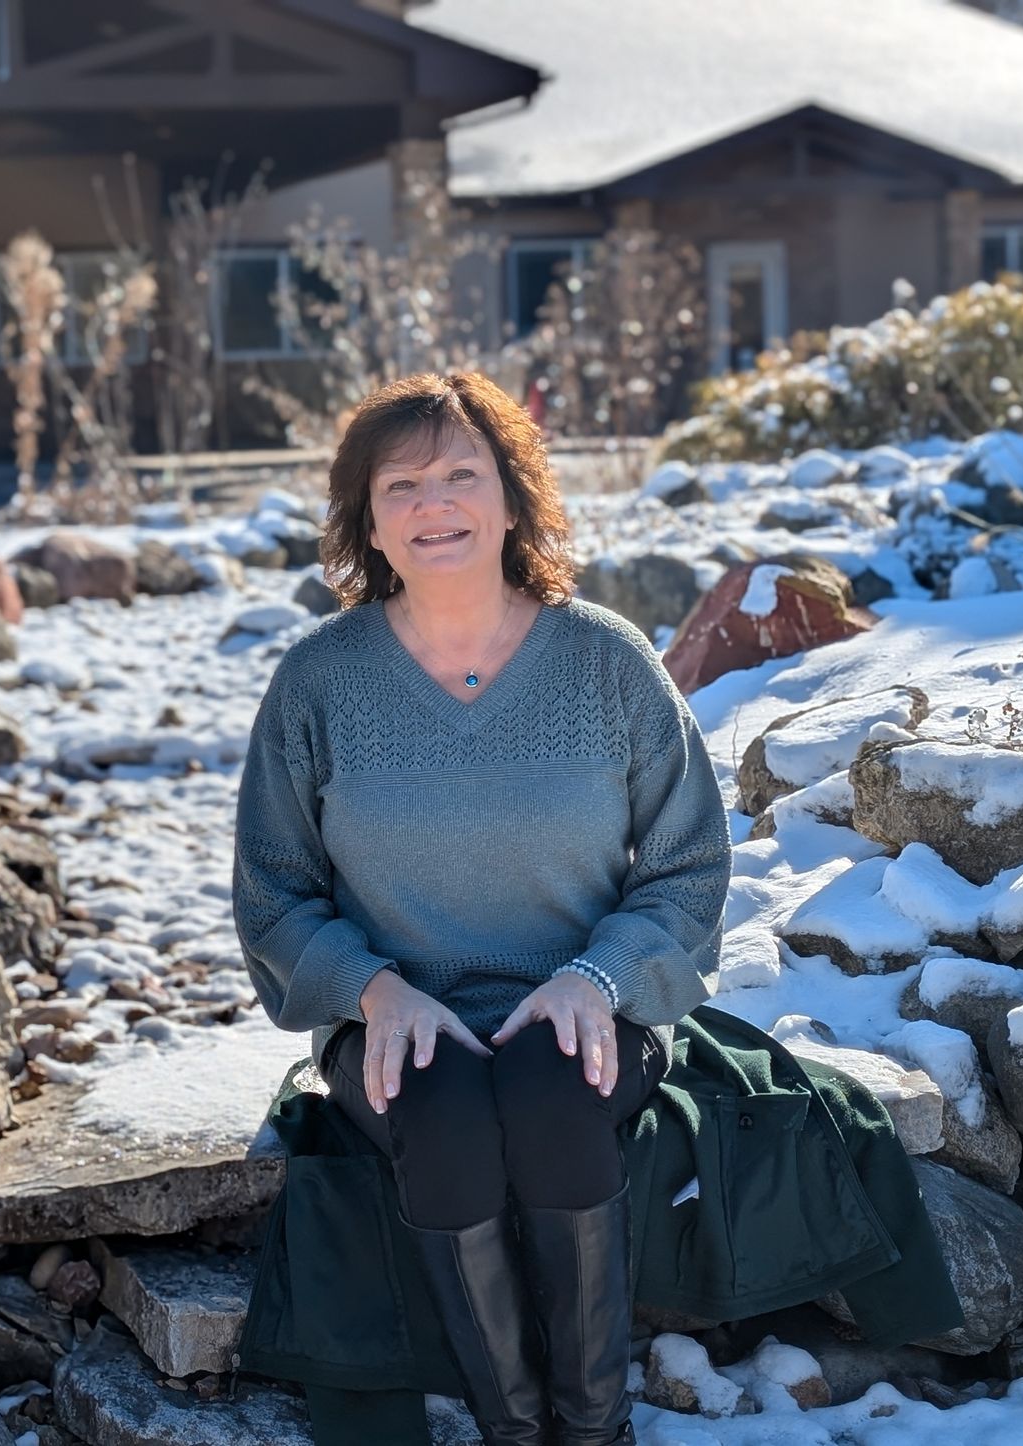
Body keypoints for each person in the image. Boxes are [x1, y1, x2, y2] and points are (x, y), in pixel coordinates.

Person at [232, 371, 733, 1446]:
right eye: (400, 482)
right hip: (399, 1017)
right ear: (367, 520)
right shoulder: (319, 682)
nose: (433, 502)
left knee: (553, 1092)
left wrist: (600, 978)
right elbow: (272, 892)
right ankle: (515, 1430)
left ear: (513, 499)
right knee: (449, 1113)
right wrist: (371, 992)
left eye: (462, 473)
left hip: (588, 1005)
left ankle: (595, 1431)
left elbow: (689, 865)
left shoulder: (607, 660)